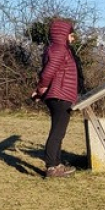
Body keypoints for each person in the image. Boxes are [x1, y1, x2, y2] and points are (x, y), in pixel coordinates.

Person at [32, 19, 80, 178]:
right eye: (71, 35)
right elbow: (48, 72)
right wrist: (41, 88)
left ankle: (57, 164)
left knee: (59, 132)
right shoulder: (59, 49)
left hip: (60, 95)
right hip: (60, 96)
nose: (73, 38)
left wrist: (40, 91)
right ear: (63, 34)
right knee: (57, 133)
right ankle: (52, 167)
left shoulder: (56, 49)